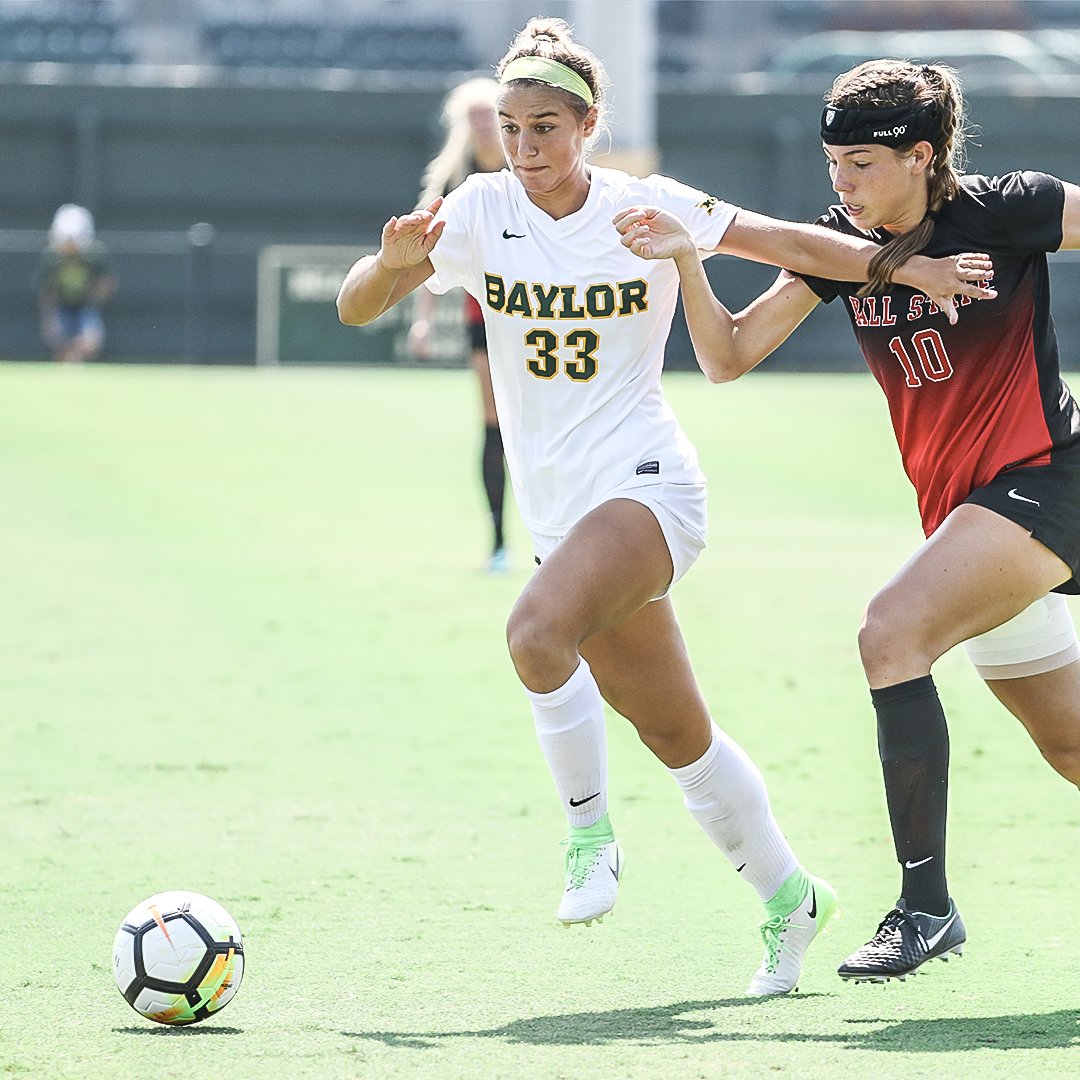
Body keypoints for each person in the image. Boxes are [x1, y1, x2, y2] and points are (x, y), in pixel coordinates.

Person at [337, 21, 988, 996]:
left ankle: (587, 835)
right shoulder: (476, 210)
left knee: (533, 633)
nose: (526, 147)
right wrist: (390, 265)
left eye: (547, 127)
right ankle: (789, 897)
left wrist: (911, 266)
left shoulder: (644, 205)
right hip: (563, 515)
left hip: (648, 487)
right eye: (512, 129)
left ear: (590, 124)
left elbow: (791, 242)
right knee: (677, 736)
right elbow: (355, 306)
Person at [615, 57, 1080, 985]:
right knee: (1070, 744)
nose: (843, 184)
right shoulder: (840, 243)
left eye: (862, 163)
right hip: (968, 520)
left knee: (890, 633)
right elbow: (730, 355)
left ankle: (924, 908)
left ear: (924, 155)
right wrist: (685, 264)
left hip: (1045, 481)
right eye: (834, 164)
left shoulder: (1007, 207)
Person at [409, 78, 511, 574]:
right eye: (473, 115)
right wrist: (423, 323)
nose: (482, 123)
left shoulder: (526, 169)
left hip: (541, 308)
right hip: (484, 316)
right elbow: (427, 257)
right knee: (493, 421)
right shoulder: (455, 180)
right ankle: (498, 540)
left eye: (488, 112)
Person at [38, 203, 115, 363]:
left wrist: (93, 302)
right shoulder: (51, 257)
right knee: (58, 340)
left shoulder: (94, 255)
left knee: (91, 342)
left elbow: (106, 283)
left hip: (85, 305)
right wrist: (49, 318)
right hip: (61, 305)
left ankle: (74, 360)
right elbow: (47, 289)